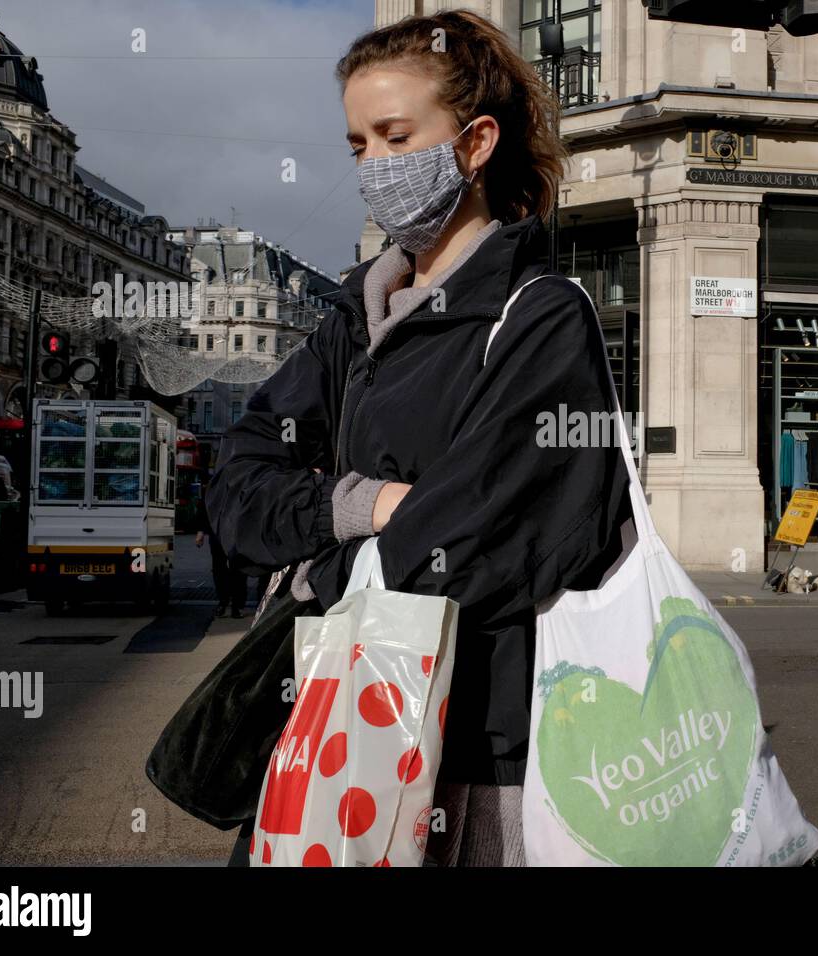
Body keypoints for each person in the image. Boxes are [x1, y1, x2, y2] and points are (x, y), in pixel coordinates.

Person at [207, 11, 631, 867]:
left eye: (396, 136)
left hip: (473, 749)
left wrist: (332, 536)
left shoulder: (539, 317)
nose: (373, 166)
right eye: (358, 144)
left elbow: (476, 547)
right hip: (336, 729)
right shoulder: (354, 322)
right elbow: (233, 490)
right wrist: (365, 503)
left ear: (474, 143)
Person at [194, 487, 247, 618]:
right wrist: (201, 531)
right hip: (220, 533)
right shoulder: (215, 487)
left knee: (236, 569)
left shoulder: (224, 485)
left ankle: (234, 604)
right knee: (221, 569)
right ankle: (227, 603)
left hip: (235, 533)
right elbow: (206, 508)